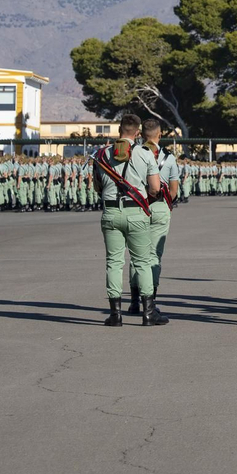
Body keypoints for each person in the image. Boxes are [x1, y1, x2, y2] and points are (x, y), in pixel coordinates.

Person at [94, 114, 166, 327]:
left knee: (114, 263)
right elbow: (154, 188)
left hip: (111, 212)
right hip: (136, 212)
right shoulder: (145, 154)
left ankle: (115, 314)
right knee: (142, 262)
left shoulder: (102, 154)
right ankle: (148, 313)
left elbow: (97, 187)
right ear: (137, 133)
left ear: (119, 131)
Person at [129, 119, 179, 316]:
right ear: (160, 135)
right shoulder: (169, 158)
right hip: (159, 208)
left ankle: (134, 302)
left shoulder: (133, 155)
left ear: (141, 135)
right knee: (154, 256)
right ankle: (150, 301)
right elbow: (173, 191)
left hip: (138, 207)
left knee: (136, 257)